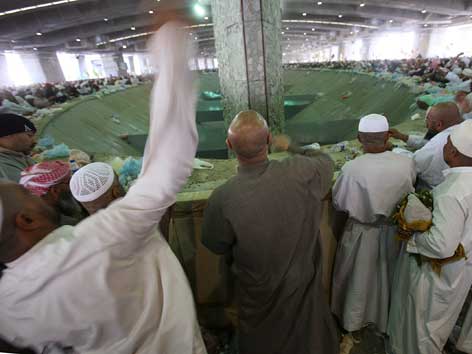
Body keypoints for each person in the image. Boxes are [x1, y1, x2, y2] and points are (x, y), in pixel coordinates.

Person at [0, 22, 206, 354]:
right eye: (28, 196)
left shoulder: (9, 303)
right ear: (24, 221)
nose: (38, 194)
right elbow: (168, 161)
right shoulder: (105, 238)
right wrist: (170, 45)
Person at [201, 110, 339, 354]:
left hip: (257, 293)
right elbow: (327, 162)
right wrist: (293, 146)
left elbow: (214, 243)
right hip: (301, 283)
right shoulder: (299, 170)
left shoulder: (223, 197)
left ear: (228, 145)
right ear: (268, 141)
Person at [387, 120, 472, 354]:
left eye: (446, 143)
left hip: (439, 273)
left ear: (453, 152)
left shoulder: (453, 191)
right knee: (438, 324)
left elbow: (440, 245)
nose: (443, 146)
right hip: (460, 271)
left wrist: (412, 237)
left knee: (423, 330)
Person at [331, 115, 416, 338]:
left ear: (359, 138)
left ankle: (353, 320)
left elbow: (339, 202)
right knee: (388, 278)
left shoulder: (352, 168)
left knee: (359, 280)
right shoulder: (405, 163)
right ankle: (385, 321)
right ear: (388, 136)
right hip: (394, 232)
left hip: (361, 232)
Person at [413, 102, 463, 189]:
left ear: (439, 124)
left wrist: (395, 149)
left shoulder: (439, 143)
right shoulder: (467, 126)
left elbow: (413, 164)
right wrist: (405, 137)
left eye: (427, 119)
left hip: (442, 190)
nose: (426, 123)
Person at [19, 161, 83, 225]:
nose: (73, 186)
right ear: (55, 190)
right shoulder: (67, 225)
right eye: (70, 182)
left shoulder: (22, 214)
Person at [0, 113, 36, 182]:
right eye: (29, 136)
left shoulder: (16, 154)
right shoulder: (3, 165)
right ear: (7, 136)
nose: (34, 141)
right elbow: (32, 189)